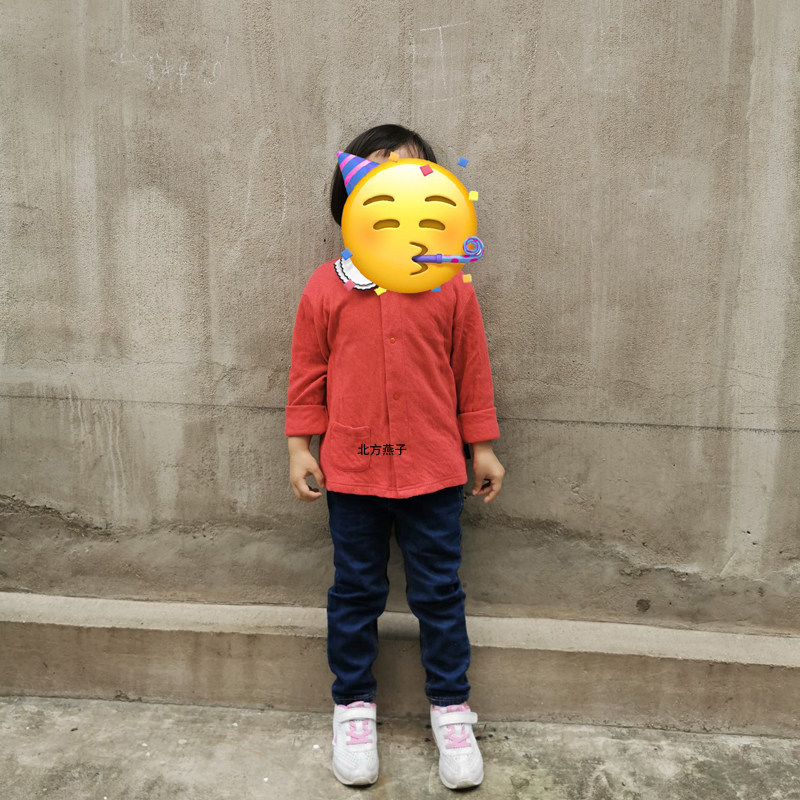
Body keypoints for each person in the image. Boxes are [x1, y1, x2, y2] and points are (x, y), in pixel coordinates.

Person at [285, 123, 504, 790]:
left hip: (433, 472)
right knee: (356, 591)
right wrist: (299, 446)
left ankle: (451, 710)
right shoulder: (326, 287)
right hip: (353, 473)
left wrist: (482, 447)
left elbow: (470, 371)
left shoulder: (451, 285)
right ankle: (353, 707)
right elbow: (308, 373)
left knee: (439, 592)